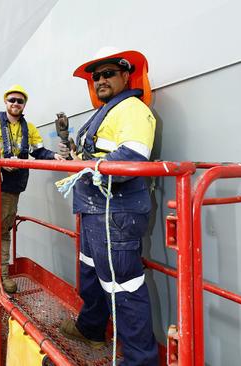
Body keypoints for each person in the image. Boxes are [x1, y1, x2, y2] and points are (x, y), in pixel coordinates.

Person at [58, 50, 158, 365]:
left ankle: (140, 360)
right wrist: (73, 156)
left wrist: (85, 166)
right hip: (95, 211)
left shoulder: (131, 108)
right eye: (96, 77)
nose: (101, 80)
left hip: (115, 213)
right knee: (92, 273)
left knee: (124, 288)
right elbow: (97, 153)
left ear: (126, 76)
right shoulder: (108, 111)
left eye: (108, 74)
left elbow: (131, 158)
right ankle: (90, 328)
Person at [0, 85, 65, 293]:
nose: (16, 104)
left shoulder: (30, 128)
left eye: (20, 101)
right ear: (5, 102)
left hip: (11, 188)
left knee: (3, 228)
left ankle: (1, 274)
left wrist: (54, 156)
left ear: (24, 105)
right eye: (12, 100)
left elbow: (39, 151)